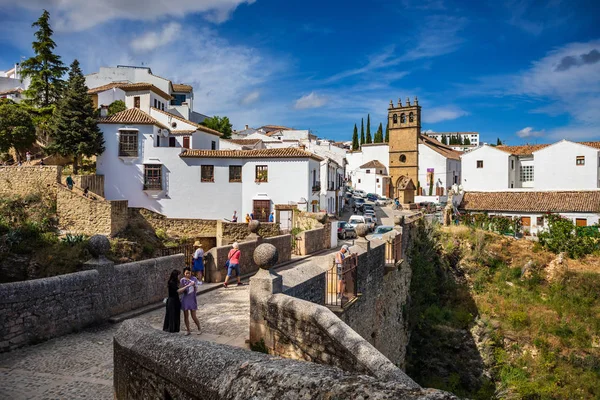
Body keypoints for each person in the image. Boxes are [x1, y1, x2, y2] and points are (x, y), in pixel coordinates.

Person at [180, 267, 201, 336]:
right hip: (185, 299)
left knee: (193, 316)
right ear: (184, 273)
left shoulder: (194, 279)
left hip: (192, 299)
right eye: (186, 273)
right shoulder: (182, 280)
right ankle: (188, 329)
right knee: (186, 316)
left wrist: (194, 285)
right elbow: (181, 289)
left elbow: (196, 288)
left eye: (189, 273)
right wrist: (185, 288)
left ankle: (199, 328)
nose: (188, 274)